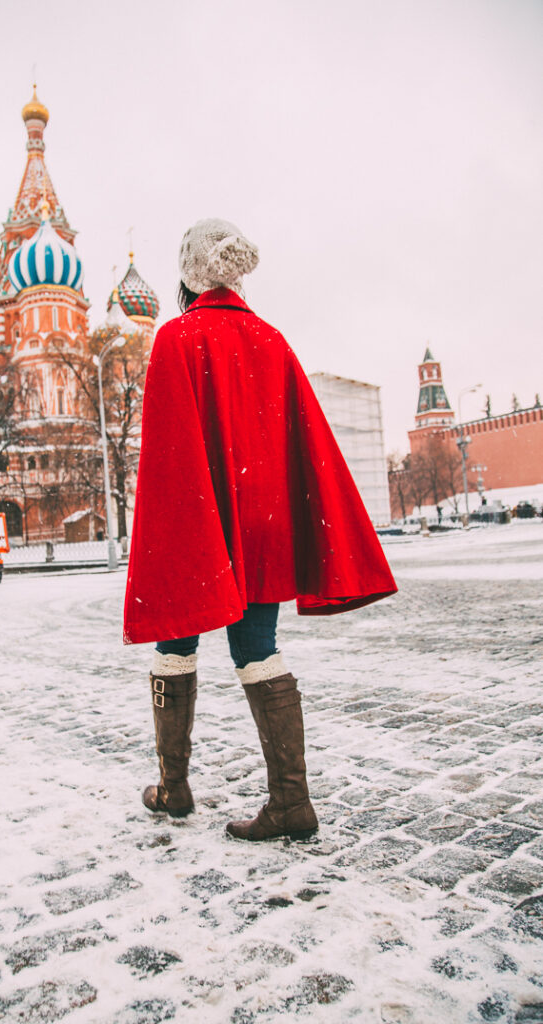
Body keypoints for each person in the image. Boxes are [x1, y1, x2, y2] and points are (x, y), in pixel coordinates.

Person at [124, 218, 397, 841]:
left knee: (176, 645)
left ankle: (174, 786)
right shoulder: (272, 339)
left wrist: (174, 536)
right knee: (258, 651)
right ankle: (290, 803)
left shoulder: (176, 337)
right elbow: (301, 440)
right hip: (263, 525)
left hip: (200, 521)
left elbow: (169, 454)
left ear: (189, 273)